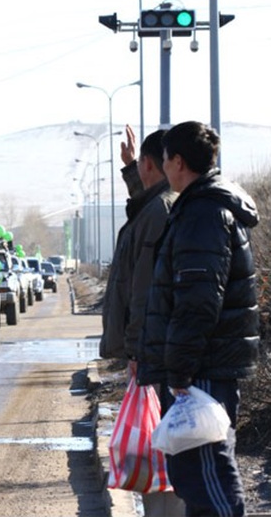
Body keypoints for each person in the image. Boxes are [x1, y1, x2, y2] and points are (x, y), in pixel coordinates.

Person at [142, 121, 259, 517]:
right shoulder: (200, 207)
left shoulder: (203, 213)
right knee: (194, 477)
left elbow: (197, 302)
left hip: (202, 368)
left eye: (164, 160)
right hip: (202, 365)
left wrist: (179, 372)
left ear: (177, 162)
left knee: (209, 480)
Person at [100, 125, 185, 516]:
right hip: (157, 348)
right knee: (163, 442)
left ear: (158, 163)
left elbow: (144, 290)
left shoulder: (160, 211)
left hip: (156, 352)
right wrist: (132, 167)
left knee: (167, 445)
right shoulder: (157, 206)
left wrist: (136, 349)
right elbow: (146, 201)